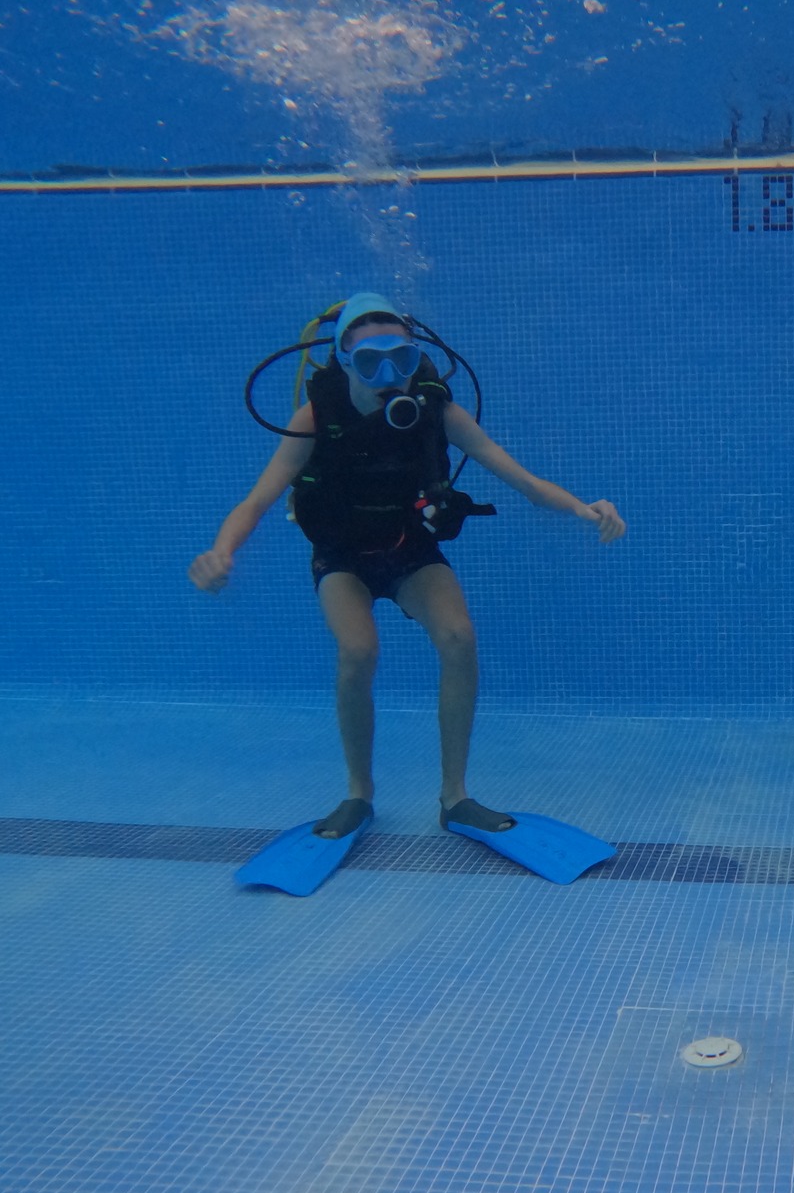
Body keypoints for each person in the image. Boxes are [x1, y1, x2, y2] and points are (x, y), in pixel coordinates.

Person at [189, 293, 625, 843]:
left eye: (400, 358)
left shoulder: (437, 410)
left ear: (416, 357)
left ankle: (455, 798)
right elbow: (257, 500)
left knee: (458, 636)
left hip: (407, 545)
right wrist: (222, 550)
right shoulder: (316, 416)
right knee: (358, 650)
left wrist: (587, 509)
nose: (388, 375)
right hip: (342, 553)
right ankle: (358, 793)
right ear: (344, 362)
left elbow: (525, 482)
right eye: (371, 362)